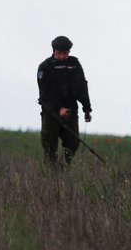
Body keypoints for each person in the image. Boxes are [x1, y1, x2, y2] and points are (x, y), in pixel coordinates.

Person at [37, 36, 92, 167]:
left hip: (70, 110)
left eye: (65, 53)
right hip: (51, 112)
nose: (62, 56)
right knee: (49, 145)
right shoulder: (45, 67)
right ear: (54, 51)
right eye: (59, 53)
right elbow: (44, 93)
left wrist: (87, 108)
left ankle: (64, 167)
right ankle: (52, 173)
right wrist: (57, 108)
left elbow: (82, 87)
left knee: (72, 143)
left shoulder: (74, 64)